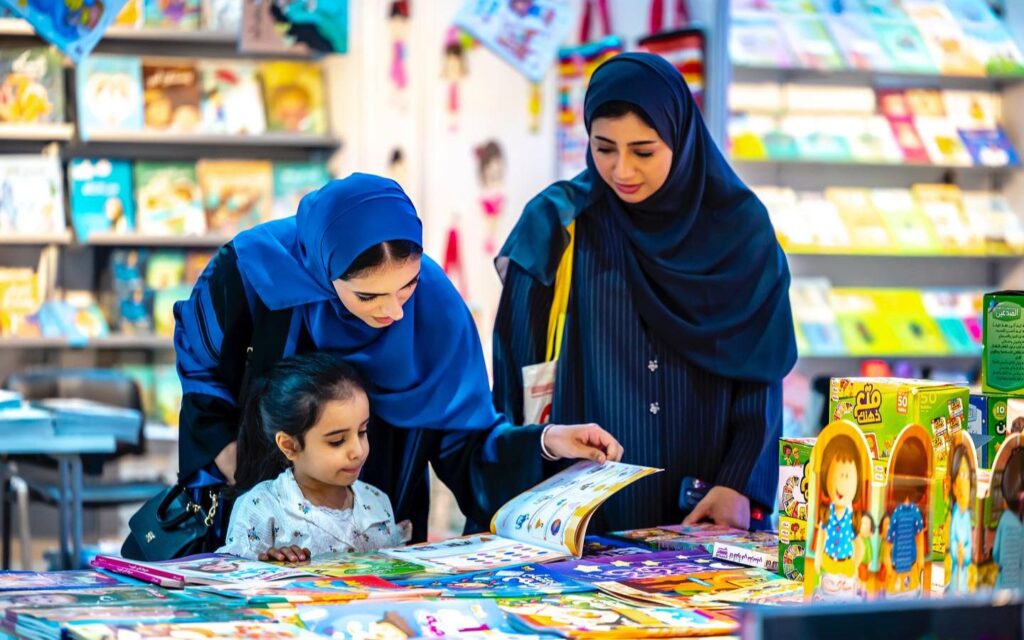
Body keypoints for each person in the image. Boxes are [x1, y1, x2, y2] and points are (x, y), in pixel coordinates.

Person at [174, 173, 621, 547]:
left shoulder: (438, 312)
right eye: (367, 295)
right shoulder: (254, 274)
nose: (393, 312)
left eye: (407, 285)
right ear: (325, 271)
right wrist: (238, 471)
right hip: (260, 525)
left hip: (380, 531)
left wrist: (547, 441)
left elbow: (466, 447)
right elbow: (202, 371)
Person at [493, 53, 795, 532]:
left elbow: (762, 372)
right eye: (604, 147)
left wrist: (741, 482)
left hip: (707, 514)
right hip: (581, 523)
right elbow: (516, 380)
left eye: (644, 150)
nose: (622, 170)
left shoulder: (740, 233)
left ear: (678, 137)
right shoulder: (557, 226)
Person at [220, 353, 403, 561]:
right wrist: (266, 566)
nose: (358, 451)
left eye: (362, 432)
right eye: (337, 441)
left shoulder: (377, 502)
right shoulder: (262, 508)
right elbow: (231, 575)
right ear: (289, 446)